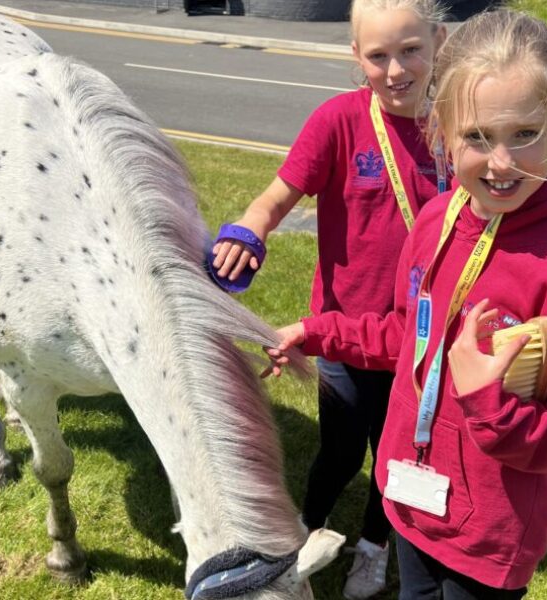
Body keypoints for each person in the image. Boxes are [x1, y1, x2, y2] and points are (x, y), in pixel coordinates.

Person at [264, 10, 547, 599]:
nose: (501, 162)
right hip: (411, 498)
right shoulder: (435, 220)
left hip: (489, 537)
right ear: (442, 131)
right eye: (476, 137)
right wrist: (318, 331)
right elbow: (408, 335)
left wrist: (489, 406)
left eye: (524, 134)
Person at [209, 1, 447, 597]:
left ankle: (374, 547)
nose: (396, 70)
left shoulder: (455, 126)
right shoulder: (339, 122)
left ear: (439, 41)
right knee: (340, 452)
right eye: (378, 56)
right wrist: (251, 228)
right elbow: (276, 197)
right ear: (356, 56)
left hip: (421, 340)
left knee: (399, 456)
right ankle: (300, 535)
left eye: (411, 50)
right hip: (342, 335)